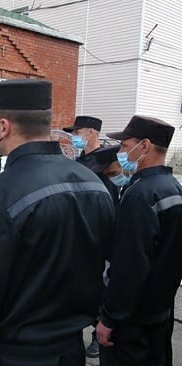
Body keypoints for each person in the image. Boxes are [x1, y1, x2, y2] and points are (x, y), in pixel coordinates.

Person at [0, 79, 115, 365]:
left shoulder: (2, 193)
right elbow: (107, 265)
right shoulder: (94, 183)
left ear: (4, 127)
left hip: (14, 353)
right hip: (70, 349)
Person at [96, 115, 182, 366]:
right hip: (159, 314)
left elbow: (129, 265)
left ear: (143, 146)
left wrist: (110, 318)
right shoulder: (173, 188)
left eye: (124, 145)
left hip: (132, 323)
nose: (120, 152)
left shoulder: (141, 194)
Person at [64, 115, 120, 204]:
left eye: (77, 132)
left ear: (90, 133)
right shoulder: (78, 159)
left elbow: (111, 195)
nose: (73, 136)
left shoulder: (106, 160)